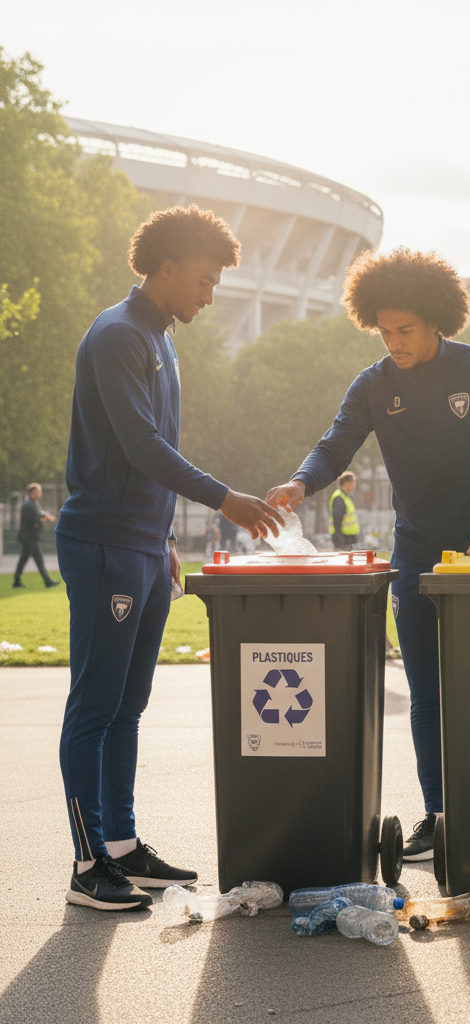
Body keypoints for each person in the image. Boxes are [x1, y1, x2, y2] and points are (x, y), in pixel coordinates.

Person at [266, 247, 470, 861]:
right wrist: (300, 483)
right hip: (414, 553)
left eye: (404, 330)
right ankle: (437, 815)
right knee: (425, 693)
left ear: (438, 317)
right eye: (384, 332)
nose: (394, 342)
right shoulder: (373, 383)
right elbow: (335, 445)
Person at [56, 205, 284, 912]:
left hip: (144, 547)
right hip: (102, 543)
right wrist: (226, 500)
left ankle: (123, 847)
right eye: (206, 281)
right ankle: (87, 864)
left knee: (129, 705)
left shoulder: (160, 338)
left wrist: (166, 542)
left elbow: (153, 461)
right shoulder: (118, 335)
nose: (211, 295)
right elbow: (141, 447)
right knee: (95, 706)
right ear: (165, 267)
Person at [13, 483, 59, 588]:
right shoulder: (29, 504)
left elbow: (37, 513)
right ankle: (47, 581)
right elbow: (35, 519)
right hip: (30, 538)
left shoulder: (31, 503)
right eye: (38, 492)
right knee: (33, 560)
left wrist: (44, 515)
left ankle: (46, 581)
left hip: (30, 538)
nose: (40, 494)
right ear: (33, 492)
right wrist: (45, 518)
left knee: (32, 560)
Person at [329, 470, 361, 550]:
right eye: (353, 482)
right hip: (343, 540)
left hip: (348, 539)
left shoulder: (345, 497)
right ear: (347, 483)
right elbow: (337, 521)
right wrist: (341, 542)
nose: (354, 485)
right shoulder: (339, 498)